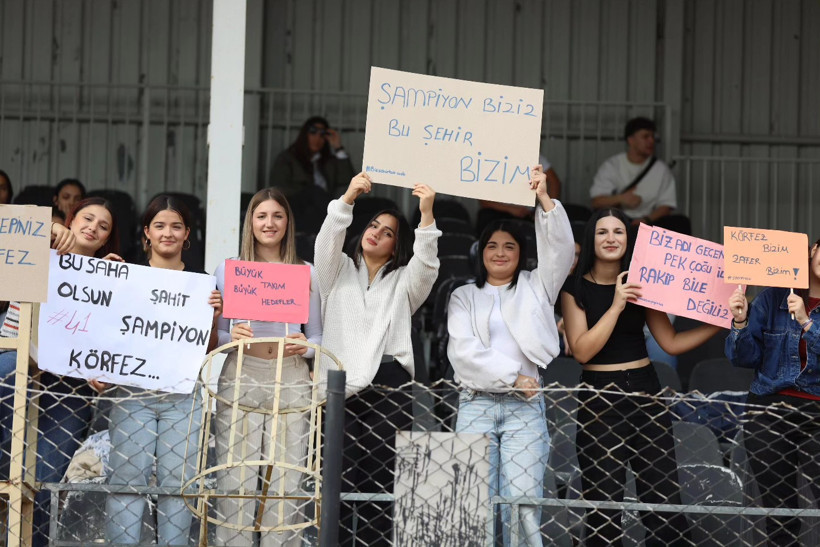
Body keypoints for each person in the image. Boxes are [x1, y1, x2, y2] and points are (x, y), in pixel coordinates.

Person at [560, 208, 720, 546]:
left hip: (646, 391)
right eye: (602, 232)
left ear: (628, 240)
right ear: (591, 239)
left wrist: (719, 322)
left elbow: (671, 343)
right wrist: (617, 304)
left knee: (663, 497)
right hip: (600, 398)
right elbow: (582, 350)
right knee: (604, 502)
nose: (610, 238)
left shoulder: (644, 282)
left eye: (618, 232)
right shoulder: (574, 288)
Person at [447, 165, 574, 546]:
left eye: (510, 246)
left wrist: (544, 198)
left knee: (522, 506)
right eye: (492, 246)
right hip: (476, 406)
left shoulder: (538, 287)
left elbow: (562, 251)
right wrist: (513, 376)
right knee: (475, 504)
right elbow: (464, 352)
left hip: (525, 411)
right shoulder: (463, 296)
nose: (500, 253)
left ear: (521, 254)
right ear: (479, 252)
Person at [313, 172, 439, 545]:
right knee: (334, 481)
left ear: (396, 246)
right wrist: (348, 197)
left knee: (381, 484)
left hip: (389, 387)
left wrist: (427, 214)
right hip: (336, 388)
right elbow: (326, 241)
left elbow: (427, 265)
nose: (377, 233)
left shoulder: (405, 281)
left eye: (388, 233)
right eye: (374, 225)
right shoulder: (334, 272)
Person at [0, 197, 118, 546]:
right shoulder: (38, 248)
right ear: (70, 220)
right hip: (15, 364)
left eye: (103, 226)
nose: (93, 227)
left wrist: (116, 283)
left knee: (45, 482)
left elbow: (111, 343)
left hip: (69, 384)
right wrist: (44, 229)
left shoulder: (111, 276)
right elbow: (9, 227)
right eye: (87, 218)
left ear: (107, 239)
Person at [105, 195, 222, 545]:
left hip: (184, 397)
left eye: (175, 226)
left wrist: (214, 317)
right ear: (146, 233)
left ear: (187, 234)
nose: (167, 233)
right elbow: (108, 332)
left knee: (179, 484)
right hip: (132, 394)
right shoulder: (126, 277)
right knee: (126, 481)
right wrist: (105, 277)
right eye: (159, 226)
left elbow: (210, 348)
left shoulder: (202, 285)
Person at [213, 188, 322, 546]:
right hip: (242, 372)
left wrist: (305, 349)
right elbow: (218, 336)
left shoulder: (307, 272)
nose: (269, 223)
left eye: (277, 215)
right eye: (261, 216)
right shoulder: (228, 270)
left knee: (287, 482)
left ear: (287, 221)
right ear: (250, 222)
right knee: (235, 481)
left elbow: (318, 338)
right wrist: (231, 332)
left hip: (290, 376)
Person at [726, 240, 820, 545]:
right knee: (779, 510)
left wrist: (807, 322)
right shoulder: (772, 298)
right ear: (813, 250)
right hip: (769, 410)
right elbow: (744, 359)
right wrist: (740, 322)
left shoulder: (801, 309)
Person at [589, 118, 690, 234]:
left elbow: (666, 206)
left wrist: (646, 220)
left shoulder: (661, 170)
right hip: (618, 220)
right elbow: (596, 202)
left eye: (653, 137)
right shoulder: (612, 166)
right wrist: (621, 199)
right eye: (646, 137)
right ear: (631, 140)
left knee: (680, 222)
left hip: (650, 222)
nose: (651, 141)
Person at [269, 116, 355, 234]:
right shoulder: (287, 158)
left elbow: (347, 180)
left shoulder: (328, 161)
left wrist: (338, 148)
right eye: (313, 132)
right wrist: (305, 191)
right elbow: (277, 188)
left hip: (323, 209)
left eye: (322, 134)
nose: (317, 138)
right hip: (297, 209)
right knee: (314, 191)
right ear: (305, 135)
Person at [475, 154, 562, 234]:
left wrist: (547, 211)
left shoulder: (535, 156)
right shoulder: (492, 156)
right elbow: (483, 201)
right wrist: (512, 209)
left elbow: (554, 182)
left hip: (525, 215)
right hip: (495, 213)